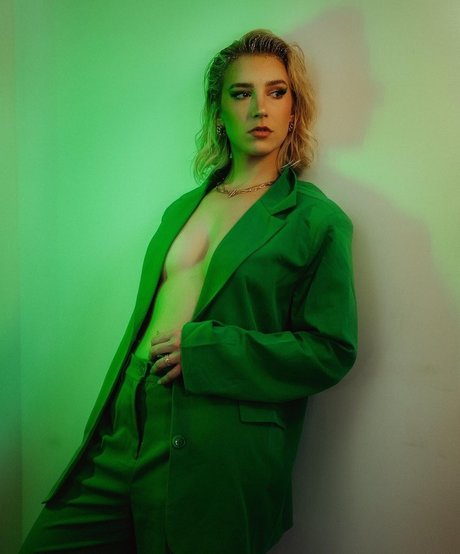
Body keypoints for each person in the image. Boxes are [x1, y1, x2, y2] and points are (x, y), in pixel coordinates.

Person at [20, 28, 357, 554]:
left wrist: (209, 350)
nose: (259, 108)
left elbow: (330, 350)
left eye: (276, 92)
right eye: (241, 93)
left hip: (215, 445)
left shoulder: (315, 220)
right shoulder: (182, 207)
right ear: (219, 110)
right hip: (125, 429)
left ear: (294, 109)